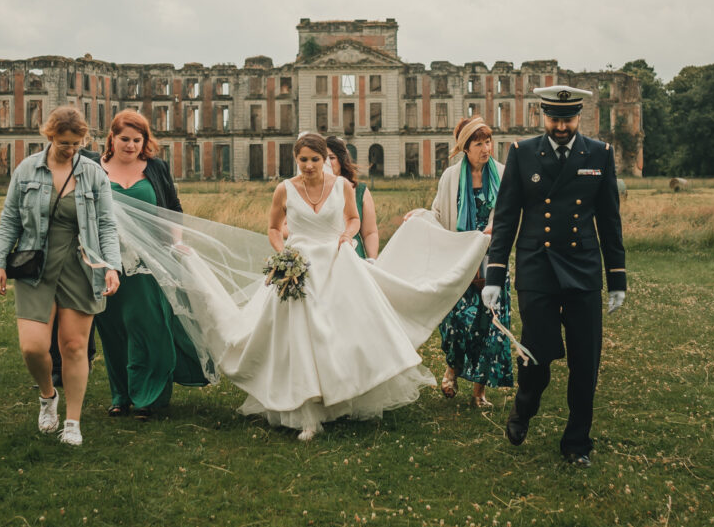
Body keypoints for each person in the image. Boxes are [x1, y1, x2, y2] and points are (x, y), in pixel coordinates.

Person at [114, 133, 491, 442]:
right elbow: (274, 229)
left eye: (316, 159)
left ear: (326, 159)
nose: (310, 165)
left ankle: (342, 398)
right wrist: (283, 254)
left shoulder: (342, 185)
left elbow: (354, 219)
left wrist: (347, 236)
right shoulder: (284, 189)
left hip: (336, 263)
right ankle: (305, 408)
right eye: (304, 160)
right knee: (298, 334)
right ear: (296, 160)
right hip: (296, 266)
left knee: (343, 331)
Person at [482, 85, 626, 467]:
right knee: (537, 355)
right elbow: (507, 217)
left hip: (583, 270)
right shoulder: (523, 153)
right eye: (553, 118)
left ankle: (577, 443)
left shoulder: (599, 154)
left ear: (579, 117)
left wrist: (617, 279)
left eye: (568, 119)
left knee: (585, 361)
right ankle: (523, 408)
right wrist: (494, 273)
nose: (560, 126)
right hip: (537, 269)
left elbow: (610, 221)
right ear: (542, 116)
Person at [0, 106, 122, 446]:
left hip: (81, 266)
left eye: (77, 143)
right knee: (33, 348)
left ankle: (73, 422)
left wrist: (111, 266)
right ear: (50, 136)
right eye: (64, 143)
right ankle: (48, 396)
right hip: (36, 266)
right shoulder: (27, 170)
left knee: (75, 346)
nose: (71, 149)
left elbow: (107, 224)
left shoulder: (93, 173)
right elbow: (10, 220)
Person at [94, 110, 207, 419]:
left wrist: (176, 240)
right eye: (124, 139)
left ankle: (149, 397)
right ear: (112, 138)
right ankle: (121, 395)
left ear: (144, 141)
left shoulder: (156, 168)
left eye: (137, 140)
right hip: (105, 261)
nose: (130, 146)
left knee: (148, 326)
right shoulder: (93, 166)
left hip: (147, 260)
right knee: (114, 329)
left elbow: (172, 207)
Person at [429, 116, 511, 408]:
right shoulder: (450, 176)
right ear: (465, 147)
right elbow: (438, 214)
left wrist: (493, 231)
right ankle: (452, 366)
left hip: (491, 261)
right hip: (460, 261)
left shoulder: (502, 173)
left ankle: (479, 393)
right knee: (455, 324)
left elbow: (509, 214)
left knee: (490, 325)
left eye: (488, 141)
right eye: (478, 143)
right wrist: (420, 219)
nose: (486, 148)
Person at [324, 135, 379, 259]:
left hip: (353, 255)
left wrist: (372, 260)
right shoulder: (308, 192)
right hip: (322, 255)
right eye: (322, 158)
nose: (326, 163)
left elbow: (370, 232)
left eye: (331, 158)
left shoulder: (360, 191)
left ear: (342, 160)